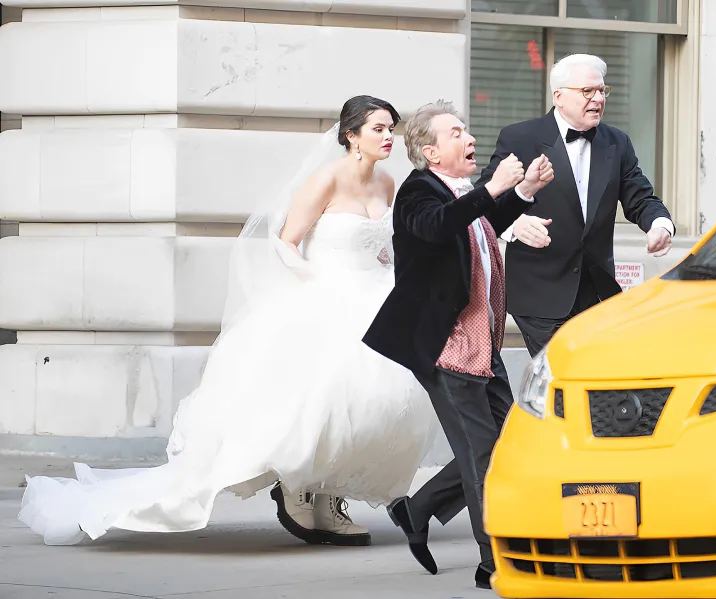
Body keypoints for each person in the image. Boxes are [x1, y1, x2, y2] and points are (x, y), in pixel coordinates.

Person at [17, 95, 439, 547]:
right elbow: (286, 242)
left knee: (368, 405)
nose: (388, 136)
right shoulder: (325, 179)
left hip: (375, 298)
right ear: (351, 135)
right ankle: (297, 488)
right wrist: (317, 284)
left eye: (391, 128)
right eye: (378, 128)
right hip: (326, 295)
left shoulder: (388, 184)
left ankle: (328, 498)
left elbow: (384, 244)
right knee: (318, 401)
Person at [363, 100, 554, 590]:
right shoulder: (417, 193)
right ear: (431, 151)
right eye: (456, 133)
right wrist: (494, 187)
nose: (469, 139)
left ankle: (418, 508)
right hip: (446, 347)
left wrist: (524, 191)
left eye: (466, 130)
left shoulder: (461, 191)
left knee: (509, 444)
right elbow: (438, 225)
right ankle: (496, 562)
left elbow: (478, 222)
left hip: (482, 344)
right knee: (486, 456)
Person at [476, 53, 675, 357]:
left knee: (594, 383)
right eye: (587, 91)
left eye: (602, 91)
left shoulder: (617, 142)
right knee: (560, 376)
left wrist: (660, 225)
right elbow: (485, 200)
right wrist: (515, 225)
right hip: (539, 291)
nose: (597, 98)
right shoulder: (521, 137)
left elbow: (640, 197)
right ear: (559, 97)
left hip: (597, 292)